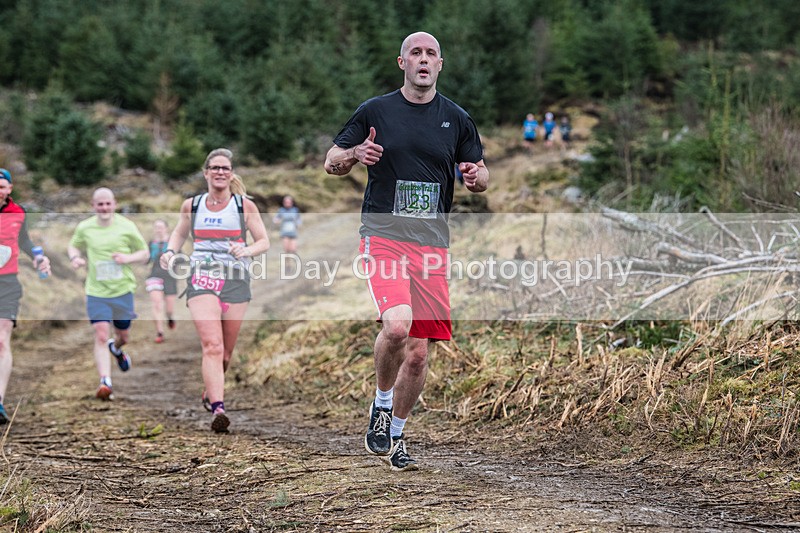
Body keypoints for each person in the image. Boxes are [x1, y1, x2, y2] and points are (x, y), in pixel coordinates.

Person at [324, 31, 489, 471]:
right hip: (384, 235)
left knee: (418, 353)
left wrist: (476, 176)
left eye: (430, 53)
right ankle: (380, 402)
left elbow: (482, 171)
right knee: (397, 328)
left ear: (440, 64)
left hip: (432, 245)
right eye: (415, 52)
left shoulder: (456, 119)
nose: (423, 59)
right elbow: (331, 160)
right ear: (402, 62)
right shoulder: (375, 110)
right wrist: (356, 153)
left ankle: (395, 435)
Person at [160, 149, 269, 433]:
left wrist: (245, 249)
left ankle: (211, 390)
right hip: (202, 278)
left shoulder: (244, 206)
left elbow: (263, 241)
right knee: (212, 345)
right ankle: (219, 408)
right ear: (206, 172)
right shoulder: (192, 206)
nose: (221, 172)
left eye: (226, 168)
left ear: (231, 174)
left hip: (235, 279)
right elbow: (179, 233)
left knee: (225, 355)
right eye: (215, 168)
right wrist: (170, 252)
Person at [68, 188, 149, 401]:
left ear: (115, 204)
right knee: (101, 334)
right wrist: (75, 258)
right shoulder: (85, 227)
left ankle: (117, 348)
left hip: (123, 290)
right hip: (96, 291)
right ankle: (105, 381)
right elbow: (73, 247)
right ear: (93, 205)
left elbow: (144, 253)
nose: (104, 208)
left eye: (107, 204)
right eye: (100, 204)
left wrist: (127, 258)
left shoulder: (127, 226)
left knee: (123, 336)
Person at [0, 169, 51, 424]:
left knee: (1, 340)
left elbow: (26, 243)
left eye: (2, 186)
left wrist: (39, 258)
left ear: (10, 189)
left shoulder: (18, 213)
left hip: (7, 283)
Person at [146, 219, 177, 344]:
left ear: (166, 228)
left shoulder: (173, 243)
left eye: (161, 227)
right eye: (156, 227)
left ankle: (170, 318)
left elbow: (181, 257)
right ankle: (160, 332)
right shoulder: (151, 243)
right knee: (157, 304)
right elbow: (146, 259)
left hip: (170, 276)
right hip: (154, 276)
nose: (158, 229)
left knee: (169, 309)